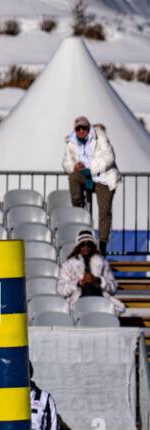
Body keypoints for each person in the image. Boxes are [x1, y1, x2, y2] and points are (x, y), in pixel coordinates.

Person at [63, 116, 119, 254]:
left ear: (89, 128)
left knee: (104, 211)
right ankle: (79, 213)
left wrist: (92, 168)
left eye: (84, 128)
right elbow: (66, 162)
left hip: (103, 176)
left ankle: (103, 244)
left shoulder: (100, 138)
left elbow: (109, 158)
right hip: (85, 175)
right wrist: (74, 166)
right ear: (75, 130)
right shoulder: (71, 142)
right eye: (78, 129)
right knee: (73, 177)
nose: (81, 131)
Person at [57, 227, 125, 316]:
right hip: (78, 299)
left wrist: (99, 280)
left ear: (93, 246)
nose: (86, 247)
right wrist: (79, 283)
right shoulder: (68, 264)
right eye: (83, 245)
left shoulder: (102, 262)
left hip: (99, 296)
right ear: (78, 246)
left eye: (89, 244)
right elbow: (61, 288)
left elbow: (113, 286)